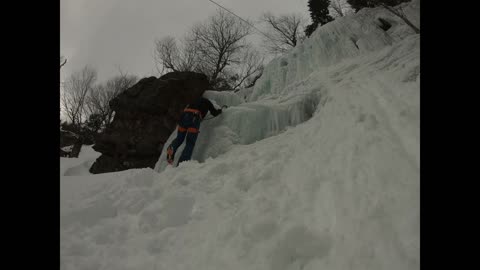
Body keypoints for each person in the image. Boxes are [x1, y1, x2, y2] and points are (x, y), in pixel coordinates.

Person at [166, 96, 223, 166]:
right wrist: (220, 111)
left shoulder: (193, 101)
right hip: (194, 118)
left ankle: (172, 148)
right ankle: (182, 163)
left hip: (184, 116)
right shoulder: (207, 102)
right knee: (190, 142)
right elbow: (214, 112)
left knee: (179, 138)